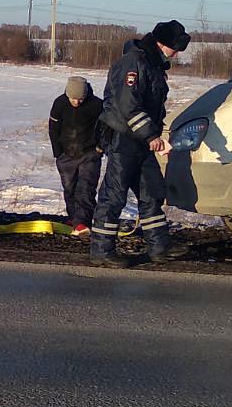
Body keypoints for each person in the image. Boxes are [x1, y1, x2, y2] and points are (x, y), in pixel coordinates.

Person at [91, 20, 192, 267]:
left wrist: (152, 135)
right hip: (125, 139)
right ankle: (101, 251)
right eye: (174, 48)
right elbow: (128, 106)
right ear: (160, 43)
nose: (176, 53)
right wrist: (151, 136)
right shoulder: (133, 63)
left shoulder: (153, 64)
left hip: (143, 141)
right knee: (114, 196)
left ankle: (160, 246)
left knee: (152, 192)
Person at [48, 75, 105, 236]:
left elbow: (106, 128)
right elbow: (53, 128)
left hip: (90, 153)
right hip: (66, 154)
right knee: (69, 188)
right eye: (73, 99)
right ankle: (74, 218)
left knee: (86, 188)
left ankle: (82, 223)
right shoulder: (60, 103)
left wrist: (101, 147)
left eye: (80, 99)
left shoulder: (97, 105)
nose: (76, 102)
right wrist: (57, 152)